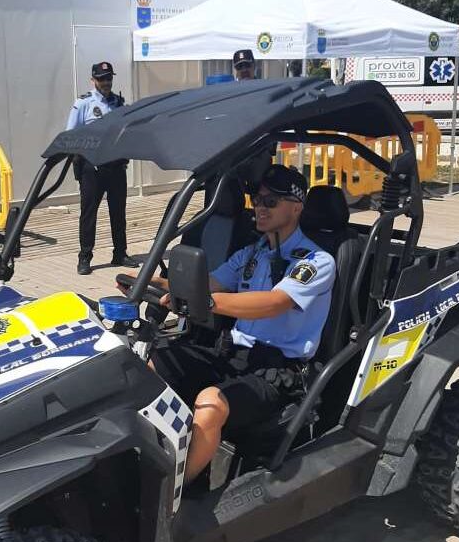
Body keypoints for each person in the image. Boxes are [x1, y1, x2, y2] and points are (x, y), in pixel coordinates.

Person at [133, 166, 335, 483]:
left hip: (277, 373)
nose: (259, 206)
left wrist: (207, 303)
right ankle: (148, 458)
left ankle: (174, 495)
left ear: (296, 206)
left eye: (271, 201)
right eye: (256, 199)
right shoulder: (252, 253)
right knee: (148, 365)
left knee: (211, 403)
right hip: (232, 356)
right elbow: (209, 283)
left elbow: (273, 303)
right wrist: (148, 281)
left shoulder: (316, 261)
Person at [66, 61, 139, 275]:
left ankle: (120, 253)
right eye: (101, 79)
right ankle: (85, 256)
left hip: (116, 167)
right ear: (93, 80)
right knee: (89, 213)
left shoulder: (119, 103)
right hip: (92, 168)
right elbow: (71, 134)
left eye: (109, 78)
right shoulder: (83, 103)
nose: (106, 83)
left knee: (118, 213)